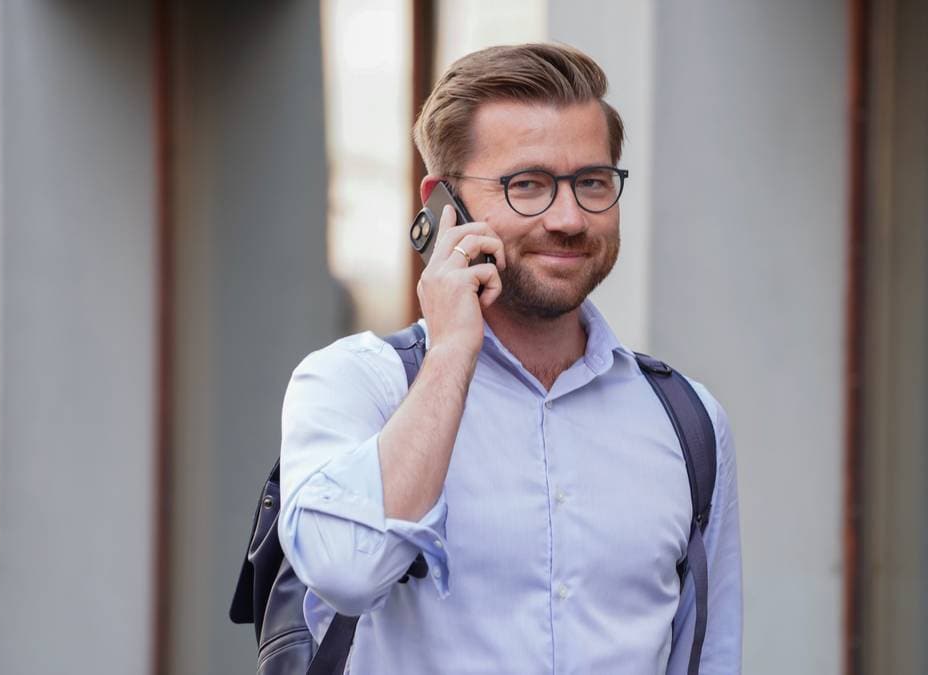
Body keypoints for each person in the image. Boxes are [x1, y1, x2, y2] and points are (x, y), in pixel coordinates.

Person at [276, 43, 742, 673]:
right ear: (444, 203)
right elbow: (348, 573)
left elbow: (709, 656)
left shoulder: (688, 420)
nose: (570, 218)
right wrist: (451, 354)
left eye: (593, 183)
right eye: (528, 185)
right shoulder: (355, 384)